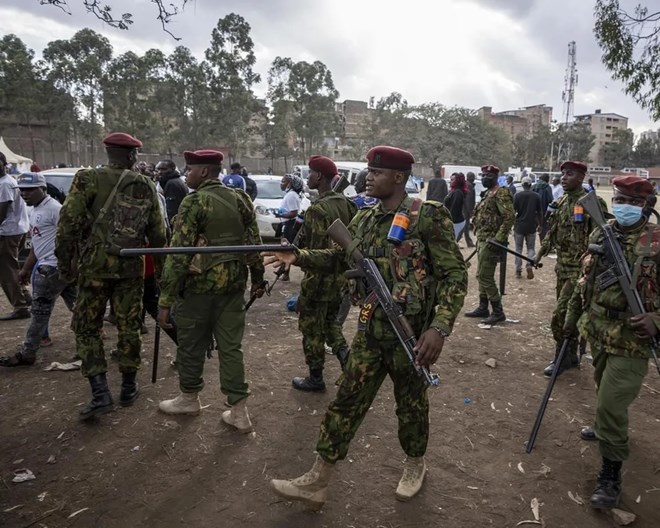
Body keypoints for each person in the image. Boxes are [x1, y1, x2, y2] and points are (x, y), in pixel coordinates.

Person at [265, 146, 467, 507]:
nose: (368, 176)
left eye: (377, 171)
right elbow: (339, 259)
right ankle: (318, 479)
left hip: (412, 335)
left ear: (399, 178)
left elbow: (454, 275)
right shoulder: (364, 219)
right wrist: (299, 256)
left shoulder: (427, 217)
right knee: (345, 402)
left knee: (411, 406)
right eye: (369, 170)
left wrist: (439, 328)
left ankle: (414, 463)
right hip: (370, 332)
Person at [56, 132, 167, 421]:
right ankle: (129, 387)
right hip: (131, 267)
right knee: (129, 325)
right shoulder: (146, 184)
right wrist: (162, 269)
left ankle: (100, 392)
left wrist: (65, 262)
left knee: (86, 326)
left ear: (107, 152)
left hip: (94, 266)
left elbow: (68, 222)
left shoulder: (87, 179)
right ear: (132, 156)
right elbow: (157, 233)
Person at [564, 175, 658, 510]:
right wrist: (570, 320)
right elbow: (584, 280)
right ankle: (606, 426)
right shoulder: (600, 231)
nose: (624, 208)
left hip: (633, 338)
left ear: (647, 205)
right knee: (603, 388)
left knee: (611, 404)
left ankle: (610, 474)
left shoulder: (656, 241)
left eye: (633, 203)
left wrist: (655, 319)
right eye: (620, 200)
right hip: (599, 330)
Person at [157, 149, 265, 432]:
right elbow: (254, 244)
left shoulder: (193, 202)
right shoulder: (241, 198)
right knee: (231, 348)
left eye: (189, 169)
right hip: (233, 287)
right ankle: (239, 411)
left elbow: (179, 255)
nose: (186, 173)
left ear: (204, 172)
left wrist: (166, 299)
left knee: (191, 344)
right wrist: (258, 279)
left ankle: (189, 398)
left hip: (198, 290)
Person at [534, 161, 608, 378]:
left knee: (560, 317)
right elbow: (552, 232)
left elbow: (602, 236)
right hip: (562, 268)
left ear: (582, 177)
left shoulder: (592, 203)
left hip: (580, 271)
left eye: (570, 174)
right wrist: (538, 255)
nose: (564, 177)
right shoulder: (562, 201)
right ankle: (570, 356)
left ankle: (561, 357)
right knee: (568, 315)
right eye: (563, 174)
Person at [291, 155, 357, 392]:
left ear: (319, 176)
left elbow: (319, 254)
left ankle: (315, 377)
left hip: (320, 281)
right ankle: (350, 368)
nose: (308, 177)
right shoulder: (348, 204)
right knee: (331, 325)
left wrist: (296, 258)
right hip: (342, 280)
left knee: (311, 328)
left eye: (310, 173)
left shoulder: (317, 210)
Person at [0, 173, 77, 367]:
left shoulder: (55, 210)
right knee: (78, 306)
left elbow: (72, 239)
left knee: (40, 312)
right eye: (23, 190)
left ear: (42, 188)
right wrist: (26, 268)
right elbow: (37, 243)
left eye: (30, 189)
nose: (25, 194)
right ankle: (89, 343)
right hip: (52, 266)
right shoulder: (34, 210)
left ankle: (28, 352)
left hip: (52, 268)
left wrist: (72, 266)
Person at [464, 165, 514, 325]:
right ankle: (483, 307)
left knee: (485, 276)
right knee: (480, 274)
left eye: (487, 176)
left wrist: (499, 239)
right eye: (483, 175)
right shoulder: (487, 194)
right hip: (482, 239)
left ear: (494, 177)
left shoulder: (501, 193)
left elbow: (509, 217)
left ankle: (498, 312)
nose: (483, 178)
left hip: (492, 241)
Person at [0, 151, 31, 320]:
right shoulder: (7, 182)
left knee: (6, 271)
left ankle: (20, 306)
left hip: (7, 232)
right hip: (17, 230)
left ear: (4, 164)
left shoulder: (5, 184)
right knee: (12, 267)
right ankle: (25, 298)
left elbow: (2, 211)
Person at [512, 177, 542, 279]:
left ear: (522, 184)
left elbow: (513, 211)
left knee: (518, 249)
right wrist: (540, 224)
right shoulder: (536, 196)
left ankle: (518, 270)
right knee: (531, 248)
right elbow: (539, 212)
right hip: (531, 226)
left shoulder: (517, 195)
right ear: (530, 185)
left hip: (519, 226)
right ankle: (529, 264)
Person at [155, 159, 188, 224]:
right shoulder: (174, 181)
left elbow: (171, 211)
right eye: (158, 169)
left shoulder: (172, 184)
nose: (160, 172)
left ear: (172, 169)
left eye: (164, 169)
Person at [444, 172, 467, 240]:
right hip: (453, 221)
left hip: (456, 222)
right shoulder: (453, 191)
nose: (450, 182)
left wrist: (448, 222)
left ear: (458, 181)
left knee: (451, 242)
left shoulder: (457, 193)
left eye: (452, 180)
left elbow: (454, 209)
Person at [532, 174, 554, 241]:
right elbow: (550, 199)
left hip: (533, 211)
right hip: (543, 211)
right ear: (547, 179)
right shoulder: (547, 187)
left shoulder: (533, 186)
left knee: (532, 230)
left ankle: (530, 246)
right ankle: (542, 243)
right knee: (543, 229)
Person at [458, 171, 476, 248]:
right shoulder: (469, 186)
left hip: (464, 209)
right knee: (464, 226)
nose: (473, 178)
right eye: (472, 177)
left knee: (466, 227)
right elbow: (469, 200)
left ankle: (469, 242)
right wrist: (470, 211)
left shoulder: (467, 185)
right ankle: (456, 241)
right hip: (466, 210)